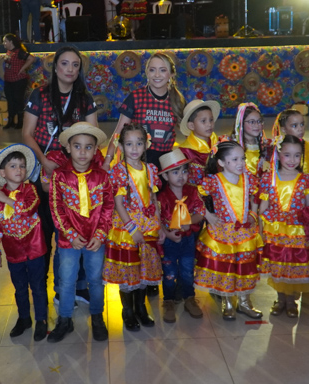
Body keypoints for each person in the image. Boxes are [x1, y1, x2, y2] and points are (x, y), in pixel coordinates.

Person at [21, 46, 99, 297]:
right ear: (55, 67)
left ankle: (75, 287)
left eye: (75, 65)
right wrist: (44, 161)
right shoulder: (40, 94)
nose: (70, 69)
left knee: (76, 228)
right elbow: (27, 134)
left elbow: (94, 136)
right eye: (64, 63)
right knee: (44, 231)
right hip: (43, 169)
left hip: (74, 174)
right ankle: (42, 286)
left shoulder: (84, 98)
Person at [47, 122, 113, 343]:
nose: (82, 152)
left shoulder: (102, 176)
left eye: (88, 147)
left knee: (95, 279)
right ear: (68, 148)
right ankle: (65, 319)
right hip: (69, 241)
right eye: (77, 146)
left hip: (96, 239)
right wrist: (70, 234)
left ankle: (97, 316)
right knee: (67, 280)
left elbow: (108, 207)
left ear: (95, 150)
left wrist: (100, 234)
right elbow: (56, 207)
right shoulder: (59, 176)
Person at [104, 124, 163, 331]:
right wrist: (132, 229)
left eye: (139, 143)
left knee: (144, 270)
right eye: (129, 144)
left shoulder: (150, 169)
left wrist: (159, 225)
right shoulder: (119, 172)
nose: (134, 148)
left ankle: (141, 308)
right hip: (127, 228)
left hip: (148, 226)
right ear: (121, 146)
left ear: (146, 145)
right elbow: (119, 204)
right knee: (128, 271)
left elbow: (153, 198)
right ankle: (127, 311)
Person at [194, 140, 262, 320]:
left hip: (244, 232)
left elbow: (255, 198)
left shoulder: (248, 179)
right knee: (227, 267)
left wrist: (253, 215)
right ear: (221, 162)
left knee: (245, 267)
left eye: (243, 158)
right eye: (235, 159)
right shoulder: (213, 181)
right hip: (223, 233)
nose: (241, 163)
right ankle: (227, 302)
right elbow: (195, 196)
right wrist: (207, 215)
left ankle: (245, 302)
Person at [0, 144, 48, 341]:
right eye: (13, 166)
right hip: (14, 253)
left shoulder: (31, 190)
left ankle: (41, 319)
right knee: (20, 288)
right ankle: (24, 318)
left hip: (35, 249)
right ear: (2, 173)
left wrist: (6, 200)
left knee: (38, 286)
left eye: (22, 166)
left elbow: (28, 209)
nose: (19, 170)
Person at [259, 134, 309, 318]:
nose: (292, 160)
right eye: (287, 155)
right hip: (275, 232)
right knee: (278, 267)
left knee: (294, 267)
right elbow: (263, 208)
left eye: (297, 155)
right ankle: (280, 300)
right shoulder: (269, 179)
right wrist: (260, 233)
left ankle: (291, 301)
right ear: (278, 155)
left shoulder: (304, 179)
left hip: (298, 232)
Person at [105, 52, 186, 169]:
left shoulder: (177, 100)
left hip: (166, 164)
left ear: (171, 74)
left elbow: (189, 133)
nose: (157, 75)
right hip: (137, 161)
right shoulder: (136, 97)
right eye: (152, 70)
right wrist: (107, 161)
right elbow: (118, 133)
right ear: (147, 73)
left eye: (162, 70)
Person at [156, 150, 205, 322]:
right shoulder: (161, 197)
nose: (181, 176)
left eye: (184, 171)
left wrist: (190, 221)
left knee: (188, 270)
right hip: (169, 242)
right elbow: (158, 220)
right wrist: (167, 234)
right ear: (165, 176)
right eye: (175, 172)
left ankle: (189, 298)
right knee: (169, 272)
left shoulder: (193, 191)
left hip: (188, 239)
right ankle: (168, 301)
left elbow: (201, 211)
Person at [269, 108, 309, 179]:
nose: (300, 129)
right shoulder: (278, 148)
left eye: (302, 124)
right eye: (294, 126)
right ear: (283, 129)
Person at [177, 99, 220, 186]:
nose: (209, 124)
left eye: (211, 120)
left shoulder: (219, 143)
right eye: (203, 121)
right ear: (191, 125)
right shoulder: (184, 152)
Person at [228, 102, 272, 176]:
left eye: (259, 121)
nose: (256, 125)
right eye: (252, 122)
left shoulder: (266, 146)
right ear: (241, 123)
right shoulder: (232, 146)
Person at [3, 34, 34, 129]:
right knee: (10, 100)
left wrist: (22, 69)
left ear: (11, 42)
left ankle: (20, 121)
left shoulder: (19, 52)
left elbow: (31, 58)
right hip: (8, 80)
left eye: (5, 41)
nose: (4, 43)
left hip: (18, 80)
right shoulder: (9, 52)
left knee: (18, 100)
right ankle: (11, 120)